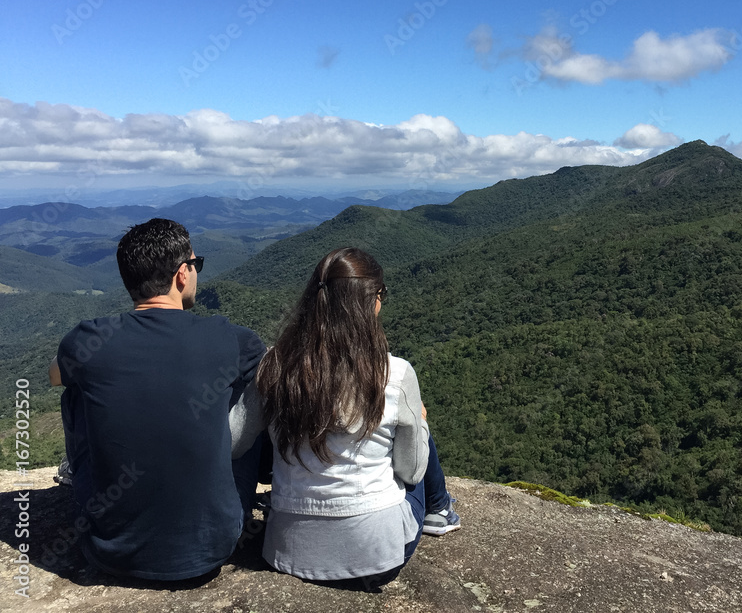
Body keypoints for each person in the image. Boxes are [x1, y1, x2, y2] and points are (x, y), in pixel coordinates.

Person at [51, 218, 266, 580]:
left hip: (108, 551)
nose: (197, 273)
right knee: (249, 390)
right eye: (196, 265)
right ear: (182, 274)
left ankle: (80, 475)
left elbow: (55, 375)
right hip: (214, 548)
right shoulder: (229, 338)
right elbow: (271, 374)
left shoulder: (88, 339)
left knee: (74, 393)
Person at [252, 247, 460, 590]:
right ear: (371, 302)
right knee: (416, 422)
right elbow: (410, 472)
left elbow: (237, 442)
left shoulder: (275, 366)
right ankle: (439, 512)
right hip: (377, 558)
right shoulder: (395, 372)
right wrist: (419, 422)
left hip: (287, 553)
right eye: (382, 295)